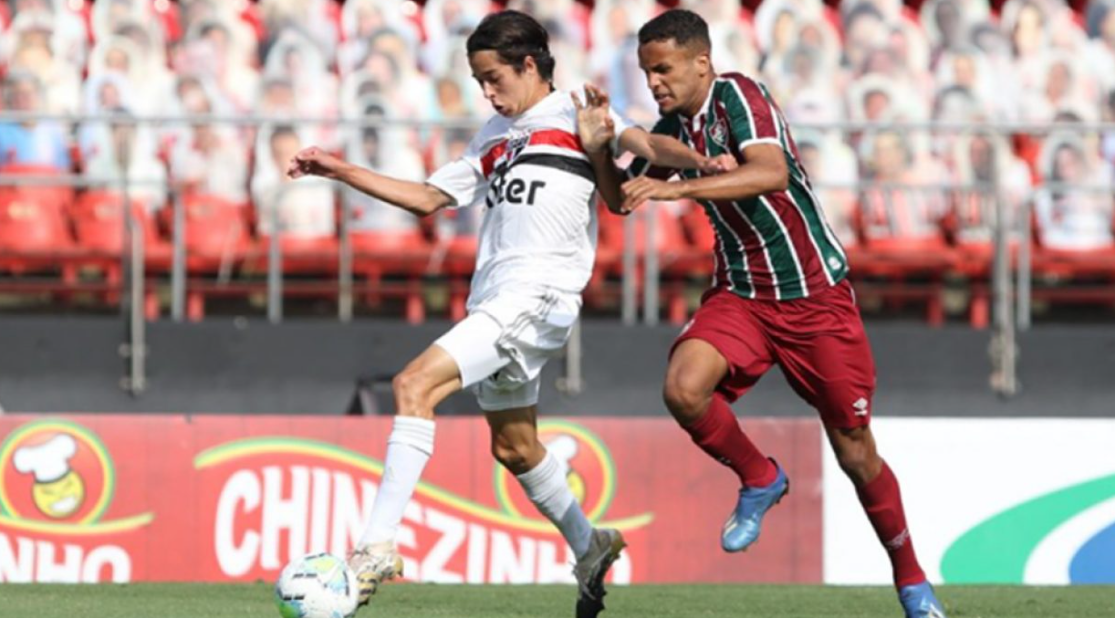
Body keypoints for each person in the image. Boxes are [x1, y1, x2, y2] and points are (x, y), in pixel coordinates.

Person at [287, 10, 722, 616]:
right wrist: (339, 170)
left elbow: (644, 145)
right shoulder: (493, 134)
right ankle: (588, 543)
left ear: (528, 65)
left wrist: (704, 162)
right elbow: (427, 198)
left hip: (537, 293)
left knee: (413, 385)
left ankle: (375, 547)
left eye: (493, 77)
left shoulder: (577, 107)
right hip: (497, 297)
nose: (487, 92)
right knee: (515, 449)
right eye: (477, 80)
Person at [574, 10, 947, 618]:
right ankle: (760, 477)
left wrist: (680, 187)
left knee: (854, 451)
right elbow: (621, 199)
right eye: (646, 72)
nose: (655, 82)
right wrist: (597, 149)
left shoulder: (738, 96)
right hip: (742, 294)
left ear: (701, 61)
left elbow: (770, 173)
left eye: (664, 68)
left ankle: (911, 582)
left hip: (814, 296)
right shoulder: (672, 130)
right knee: (683, 388)